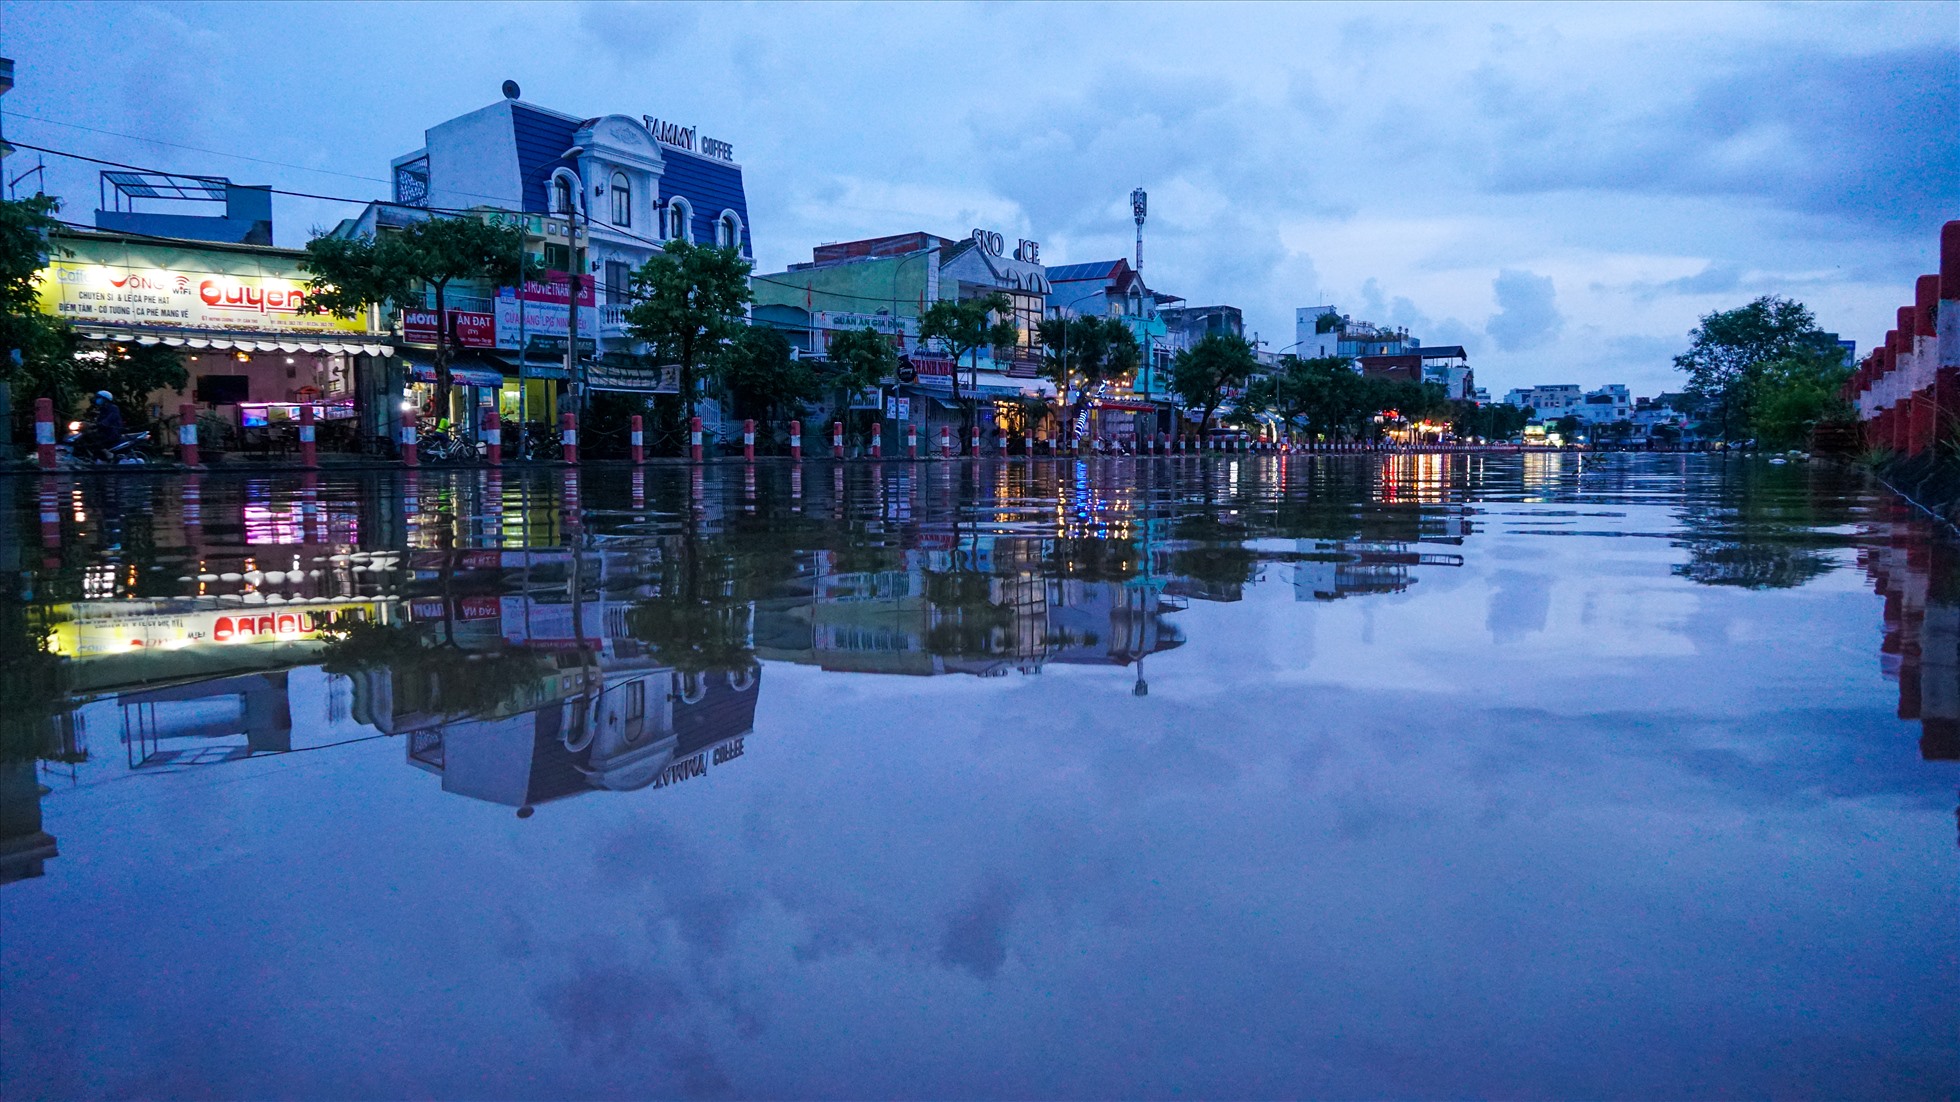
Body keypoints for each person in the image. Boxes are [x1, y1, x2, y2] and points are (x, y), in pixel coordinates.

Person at [78, 391, 124, 461]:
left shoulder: (113, 408)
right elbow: (97, 421)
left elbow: (109, 420)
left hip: (112, 432)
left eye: (99, 398)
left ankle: (107, 453)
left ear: (105, 399)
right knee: (85, 435)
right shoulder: (102, 409)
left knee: (91, 436)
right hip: (104, 431)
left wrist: (100, 424)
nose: (97, 399)